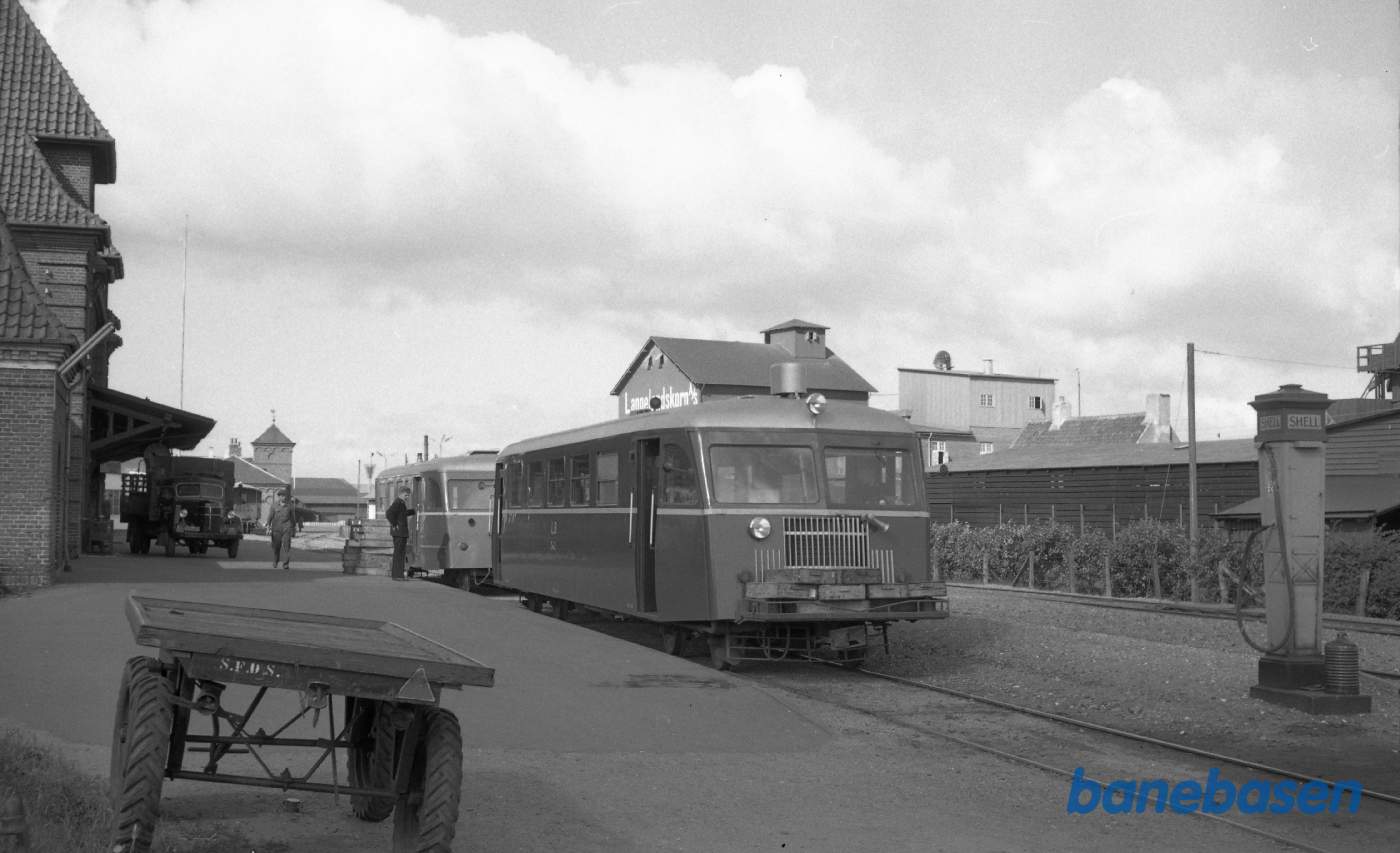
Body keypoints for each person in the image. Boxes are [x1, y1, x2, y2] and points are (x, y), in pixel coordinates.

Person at [386, 486, 416, 581]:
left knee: (400, 554)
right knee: (398, 554)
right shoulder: (398, 503)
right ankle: (397, 576)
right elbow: (389, 513)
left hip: (401, 533)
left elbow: (402, 514)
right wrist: (395, 524)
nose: (407, 497)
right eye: (406, 495)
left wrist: (413, 511)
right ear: (401, 494)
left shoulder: (401, 503)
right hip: (399, 533)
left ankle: (399, 575)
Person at [265, 490, 297, 570]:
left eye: (285, 496)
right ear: (279, 497)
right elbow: (270, 516)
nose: (284, 497)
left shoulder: (290, 506)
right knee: (276, 547)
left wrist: (293, 528)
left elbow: (293, 518)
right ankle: (276, 560)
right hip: (276, 529)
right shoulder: (274, 506)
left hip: (286, 529)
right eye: (282, 496)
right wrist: (268, 525)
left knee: (287, 546)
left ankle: (286, 564)